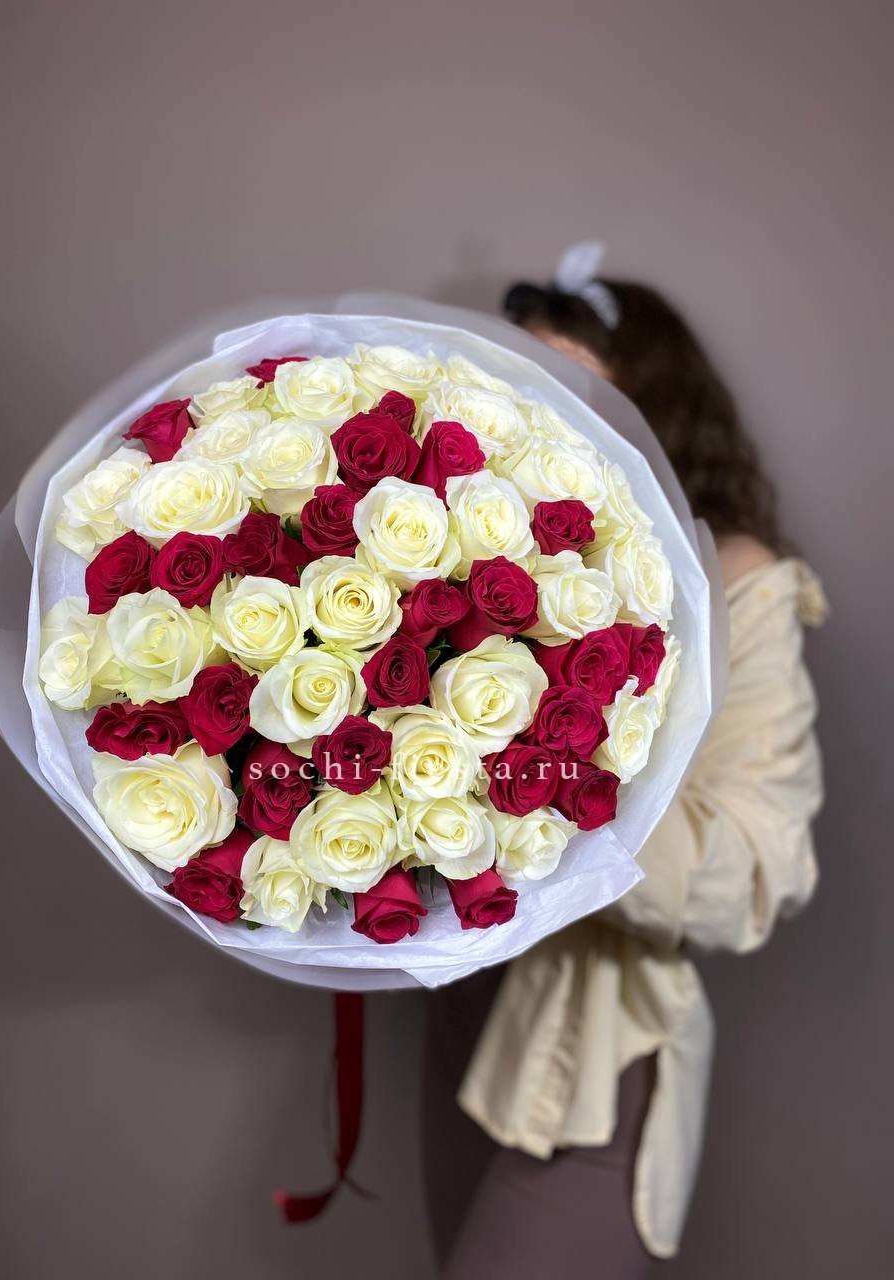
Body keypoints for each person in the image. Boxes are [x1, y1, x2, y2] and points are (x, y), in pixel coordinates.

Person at [422, 244, 827, 1277]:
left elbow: (759, 866)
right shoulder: (460, 554)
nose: (539, 409)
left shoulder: (741, 585)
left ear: (657, 409)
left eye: (572, 384)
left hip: (591, 1042)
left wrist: (536, 782)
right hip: (457, 1006)